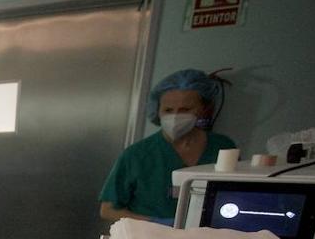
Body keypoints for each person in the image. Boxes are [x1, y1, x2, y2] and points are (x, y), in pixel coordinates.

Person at [99, 68, 236, 225]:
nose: (176, 116)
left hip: (205, 237)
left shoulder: (223, 148)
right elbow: (108, 209)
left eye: (185, 109)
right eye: (168, 110)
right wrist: (155, 222)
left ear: (204, 109)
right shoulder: (137, 155)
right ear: (157, 111)